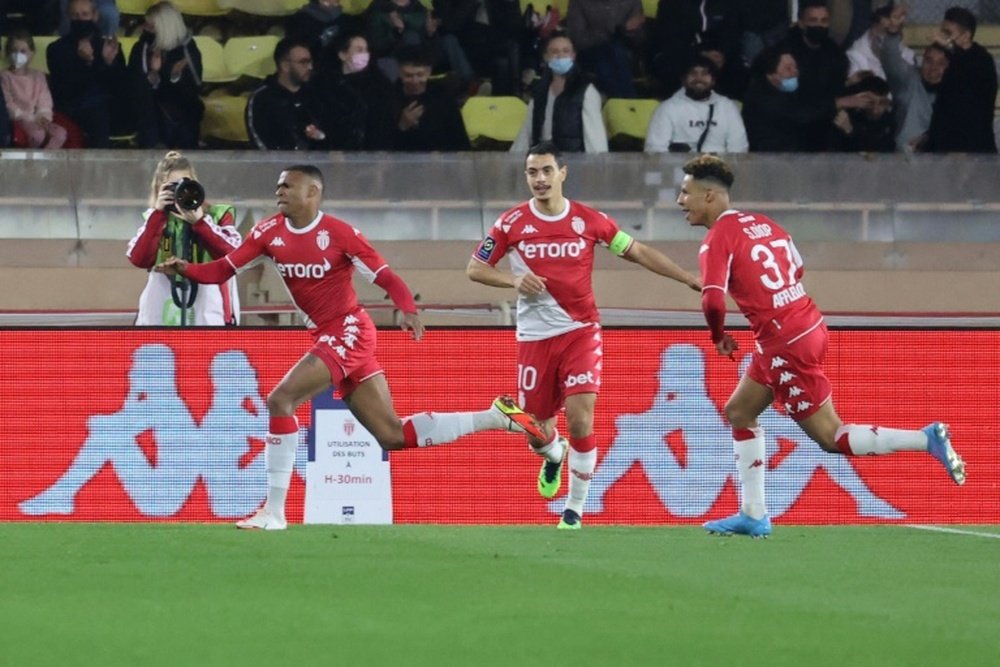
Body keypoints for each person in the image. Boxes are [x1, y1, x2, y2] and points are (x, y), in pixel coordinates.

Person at [155, 164, 546, 530]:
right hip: (329, 335)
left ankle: (273, 512)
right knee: (391, 435)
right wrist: (184, 268)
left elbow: (386, 276)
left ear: (313, 192)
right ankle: (496, 418)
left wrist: (408, 308)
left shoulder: (340, 234)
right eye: (278, 186)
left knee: (280, 401)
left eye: (287, 186)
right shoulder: (267, 233)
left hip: (349, 330)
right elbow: (223, 269)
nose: (279, 191)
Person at [675, 154, 966, 538]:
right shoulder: (765, 224)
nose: (680, 201)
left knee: (830, 437)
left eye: (685, 193)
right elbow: (796, 268)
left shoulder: (717, 239)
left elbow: (712, 299)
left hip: (784, 341)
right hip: (802, 322)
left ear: (709, 196)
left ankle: (924, 437)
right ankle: (753, 513)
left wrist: (718, 336)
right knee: (739, 412)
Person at [467, 142, 701, 529]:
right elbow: (475, 269)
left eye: (546, 171)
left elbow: (638, 251)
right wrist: (513, 279)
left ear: (562, 173)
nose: (539, 179)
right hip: (535, 338)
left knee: (581, 418)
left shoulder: (589, 220)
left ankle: (574, 510)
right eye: (532, 173)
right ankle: (553, 455)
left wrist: (689, 278)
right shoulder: (510, 224)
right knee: (538, 432)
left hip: (580, 331)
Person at [127, 151, 241, 326]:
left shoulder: (217, 215)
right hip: (160, 315)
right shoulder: (153, 219)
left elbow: (236, 255)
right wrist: (158, 215)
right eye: (173, 187)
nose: (181, 192)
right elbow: (138, 259)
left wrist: (200, 222)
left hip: (209, 314)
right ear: (160, 189)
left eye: (185, 185)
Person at [47, 0, 131, 147]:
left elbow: (120, 86)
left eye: (85, 14)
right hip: (75, 106)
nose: (80, 19)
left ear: (95, 15)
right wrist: (87, 62)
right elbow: (66, 90)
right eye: (75, 15)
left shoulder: (109, 46)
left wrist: (108, 63)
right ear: (68, 17)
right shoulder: (56, 49)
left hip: (112, 108)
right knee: (97, 110)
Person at [510, 32, 608, 154]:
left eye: (566, 51)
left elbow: (595, 138)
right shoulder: (539, 92)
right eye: (555, 51)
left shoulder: (586, 91)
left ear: (573, 56)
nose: (561, 55)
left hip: (574, 163)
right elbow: (526, 133)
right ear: (546, 57)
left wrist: (598, 168)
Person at [128, 1, 204, 149]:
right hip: (150, 108)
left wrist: (174, 75)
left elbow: (194, 89)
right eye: (146, 24)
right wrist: (154, 74)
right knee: (146, 108)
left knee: (192, 110)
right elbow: (135, 87)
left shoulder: (187, 48)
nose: (145, 28)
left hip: (179, 105)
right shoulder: (141, 47)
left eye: (151, 26)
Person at [926, 6, 998, 154]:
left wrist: (949, 45)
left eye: (948, 33)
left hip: (973, 151)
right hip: (945, 150)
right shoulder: (950, 60)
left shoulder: (982, 60)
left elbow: (968, 65)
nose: (942, 37)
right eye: (942, 32)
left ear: (966, 36)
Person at [644, 55, 748, 154]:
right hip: (679, 169)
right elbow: (655, 149)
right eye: (693, 73)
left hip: (719, 169)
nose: (699, 78)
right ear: (684, 79)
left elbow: (738, 148)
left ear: (713, 80)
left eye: (705, 74)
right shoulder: (667, 108)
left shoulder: (728, 107)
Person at [246, 37, 330, 151]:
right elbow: (260, 143)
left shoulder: (317, 94)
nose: (310, 67)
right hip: (277, 165)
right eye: (303, 62)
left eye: (310, 62)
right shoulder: (261, 98)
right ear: (284, 65)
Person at [878, 19, 949, 152]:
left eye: (941, 63)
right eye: (929, 61)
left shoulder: (956, 89)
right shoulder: (910, 79)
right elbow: (891, 60)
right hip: (904, 159)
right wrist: (893, 32)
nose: (933, 68)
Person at [388, 46, 469, 151]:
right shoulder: (389, 97)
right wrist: (402, 126)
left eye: (420, 75)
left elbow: (460, 139)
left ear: (428, 72)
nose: (415, 81)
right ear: (400, 73)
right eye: (408, 76)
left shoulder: (443, 96)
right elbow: (380, 147)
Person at [1, 29, 69, 148]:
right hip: (19, 119)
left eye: (23, 51)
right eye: (14, 51)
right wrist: (29, 118)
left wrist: (43, 117)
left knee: (60, 134)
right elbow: (8, 105)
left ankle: (45, 160)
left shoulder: (38, 76)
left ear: (31, 53)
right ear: (7, 52)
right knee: (38, 135)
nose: (18, 55)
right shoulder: (4, 76)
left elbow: (45, 100)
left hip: (38, 119)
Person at [565, 0, 644, 99]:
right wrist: (619, 30)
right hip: (589, 52)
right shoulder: (579, 2)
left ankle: (619, 101)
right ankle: (628, 102)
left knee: (614, 52)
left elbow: (639, 40)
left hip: (623, 53)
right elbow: (578, 38)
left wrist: (630, 31)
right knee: (607, 55)